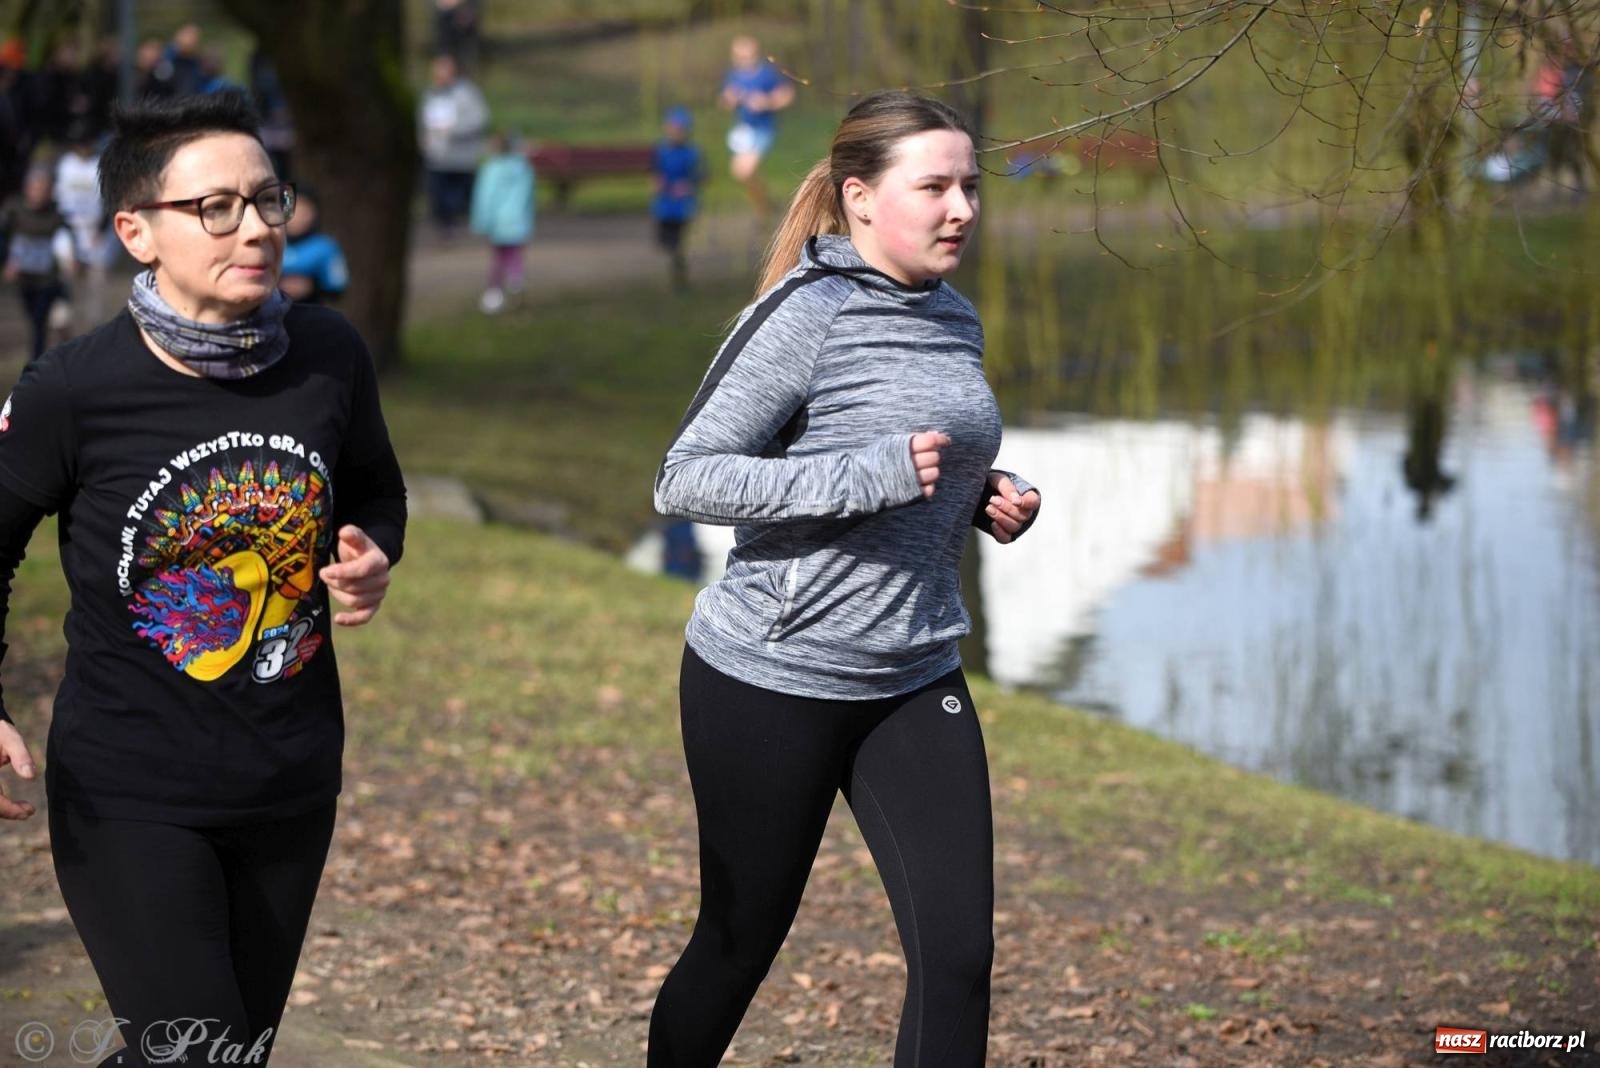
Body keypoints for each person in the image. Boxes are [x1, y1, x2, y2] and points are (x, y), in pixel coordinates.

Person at [0, 91, 406, 1067]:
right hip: (131, 791)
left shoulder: (328, 353)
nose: (257, 228)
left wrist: (371, 555)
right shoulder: (74, 389)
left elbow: (374, 491)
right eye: (216, 208)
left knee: (215, 1055)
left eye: (268, 200)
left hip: (291, 779)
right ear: (137, 232)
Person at [648, 90, 1042, 1067]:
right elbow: (683, 476)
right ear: (860, 197)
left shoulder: (954, 320)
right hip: (769, 681)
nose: (960, 209)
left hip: (912, 676)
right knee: (737, 945)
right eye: (935, 186)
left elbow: (932, 456)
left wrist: (986, 495)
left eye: (969, 187)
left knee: (958, 958)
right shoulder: (803, 315)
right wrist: (860, 477)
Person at [1, 166, 77, 361]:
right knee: (33, 317)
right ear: (27, 188)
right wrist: (7, 262)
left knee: (40, 321)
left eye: (43, 189)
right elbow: (4, 238)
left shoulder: (57, 214)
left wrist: (71, 258)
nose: (38, 193)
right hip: (24, 278)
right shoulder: (13, 209)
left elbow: (68, 238)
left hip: (48, 278)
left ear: (50, 191)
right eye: (34, 188)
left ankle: (36, 362)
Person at [719, 35, 794, 221]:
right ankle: (765, 204)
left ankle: (765, 209)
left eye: (747, 56)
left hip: (763, 129)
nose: (743, 61)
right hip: (743, 130)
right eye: (739, 57)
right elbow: (724, 102)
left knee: (746, 170)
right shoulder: (733, 75)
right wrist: (730, 99)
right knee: (739, 173)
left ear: (755, 54)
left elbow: (787, 94)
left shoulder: (766, 74)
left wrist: (767, 102)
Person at [419, 53, 489, 238]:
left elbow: (479, 119)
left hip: (461, 156)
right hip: (436, 155)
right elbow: (423, 120)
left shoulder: (468, 93)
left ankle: (456, 226)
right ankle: (444, 228)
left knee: (457, 197)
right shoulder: (431, 93)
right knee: (438, 196)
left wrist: (453, 130)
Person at [468, 131, 535, 313]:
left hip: (497, 222)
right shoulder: (523, 168)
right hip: (518, 220)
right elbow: (528, 197)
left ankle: (494, 293)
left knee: (498, 256)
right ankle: (515, 279)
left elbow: (485, 198)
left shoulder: (491, 170)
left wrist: (482, 222)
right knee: (514, 253)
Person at [54, 122, 113, 325]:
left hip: (94, 231)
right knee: (66, 279)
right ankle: (62, 323)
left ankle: (94, 324)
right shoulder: (65, 165)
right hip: (69, 229)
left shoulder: (98, 165)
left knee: (95, 283)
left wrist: (101, 229)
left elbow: (108, 202)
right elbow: (58, 201)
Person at [651, 106, 705, 291]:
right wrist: (657, 183)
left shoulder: (692, 153)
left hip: (683, 204)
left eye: (679, 129)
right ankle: (674, 263)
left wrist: (689, 184)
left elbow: (701, 175)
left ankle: (678, 270)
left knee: (678, 240)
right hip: (665, 203)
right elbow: (655, 172)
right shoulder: (661, 151)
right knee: (664, 240)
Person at [280, 183, 348, 305]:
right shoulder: (270, 242)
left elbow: (338, 287)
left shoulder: (325, 247)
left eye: (303, 210)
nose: (297, 216)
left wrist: (312, 287)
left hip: (311, 312)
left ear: (314, 213)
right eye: (292, 209)